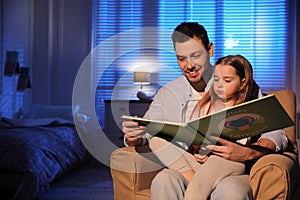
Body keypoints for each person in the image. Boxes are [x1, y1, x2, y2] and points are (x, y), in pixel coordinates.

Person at [121, 22, 288, 200]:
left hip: (230, 168)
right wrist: (134, 137)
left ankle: (197, 190)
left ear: (210, 50)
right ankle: (197, 183)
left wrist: (248, 153)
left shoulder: (235, 84)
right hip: (190, 166)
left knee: (232, 191)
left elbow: (275, 131)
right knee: (163, 180)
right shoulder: (167, 94)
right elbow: (148, 134)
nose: (189, 65)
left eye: (196, 55)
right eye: (181, 58)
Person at [149, 54, 288, 200]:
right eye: (216, 79)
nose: (219, 85)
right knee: (156, 141)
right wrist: (195, 147)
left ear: (242, 83)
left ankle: (195, 192)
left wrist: (246, 151)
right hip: (201, 163)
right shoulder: (205, 104)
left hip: (231, 162)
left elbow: (273, 135)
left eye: (227, 80)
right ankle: (192, 177)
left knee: (217, 162)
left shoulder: (250, 106)